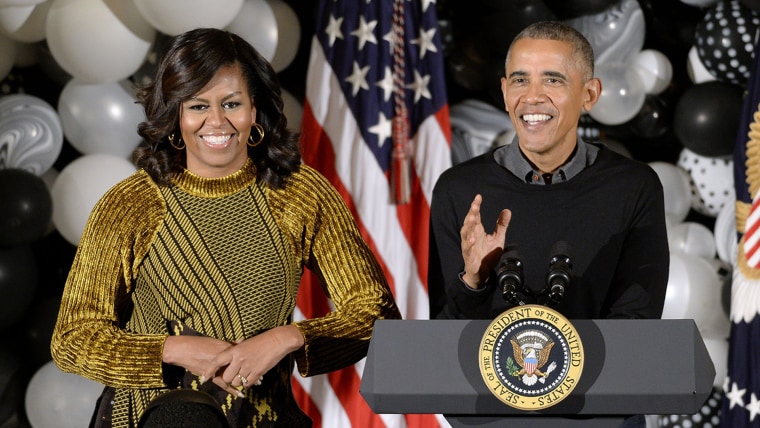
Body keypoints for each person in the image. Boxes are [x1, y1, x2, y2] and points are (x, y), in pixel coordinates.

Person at [50, 27, 401, 427]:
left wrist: (286, 339)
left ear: (255, 111)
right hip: (151, 420)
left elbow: (377, 313)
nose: (216, 122)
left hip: (263, 419)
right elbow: (73, 338)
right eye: (197, 106)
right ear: (176, 115)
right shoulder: (132, 203)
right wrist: (172, 350)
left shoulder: (300, 194)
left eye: (231, 103)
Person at [428, 21, 669, 322]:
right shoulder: (459, 190)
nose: (532, 97)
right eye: (520, 80)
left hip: (600, 369)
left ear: (590, 94)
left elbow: (638, 323)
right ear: (504, 92)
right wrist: (473, 282)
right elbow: (440, 339)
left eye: (553, 81)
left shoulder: (633, 187)